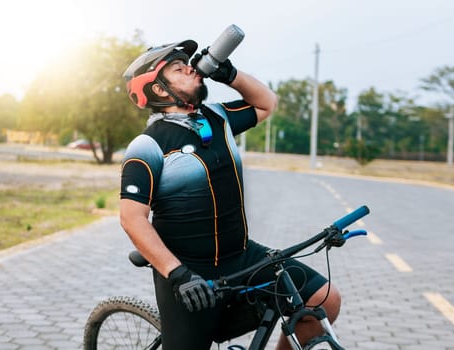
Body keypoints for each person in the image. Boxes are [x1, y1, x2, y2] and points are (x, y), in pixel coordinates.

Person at [119, 39, 341, 350]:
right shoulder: (147, 145)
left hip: (241, 256)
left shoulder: (217, 118)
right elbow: (132, 218)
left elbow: (266, 103)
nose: (193, 70)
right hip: (189, 273)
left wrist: (230, 74)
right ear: (158, 89)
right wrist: (177, 273)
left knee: (323, 300)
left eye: (190, 64)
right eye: (179, 68)